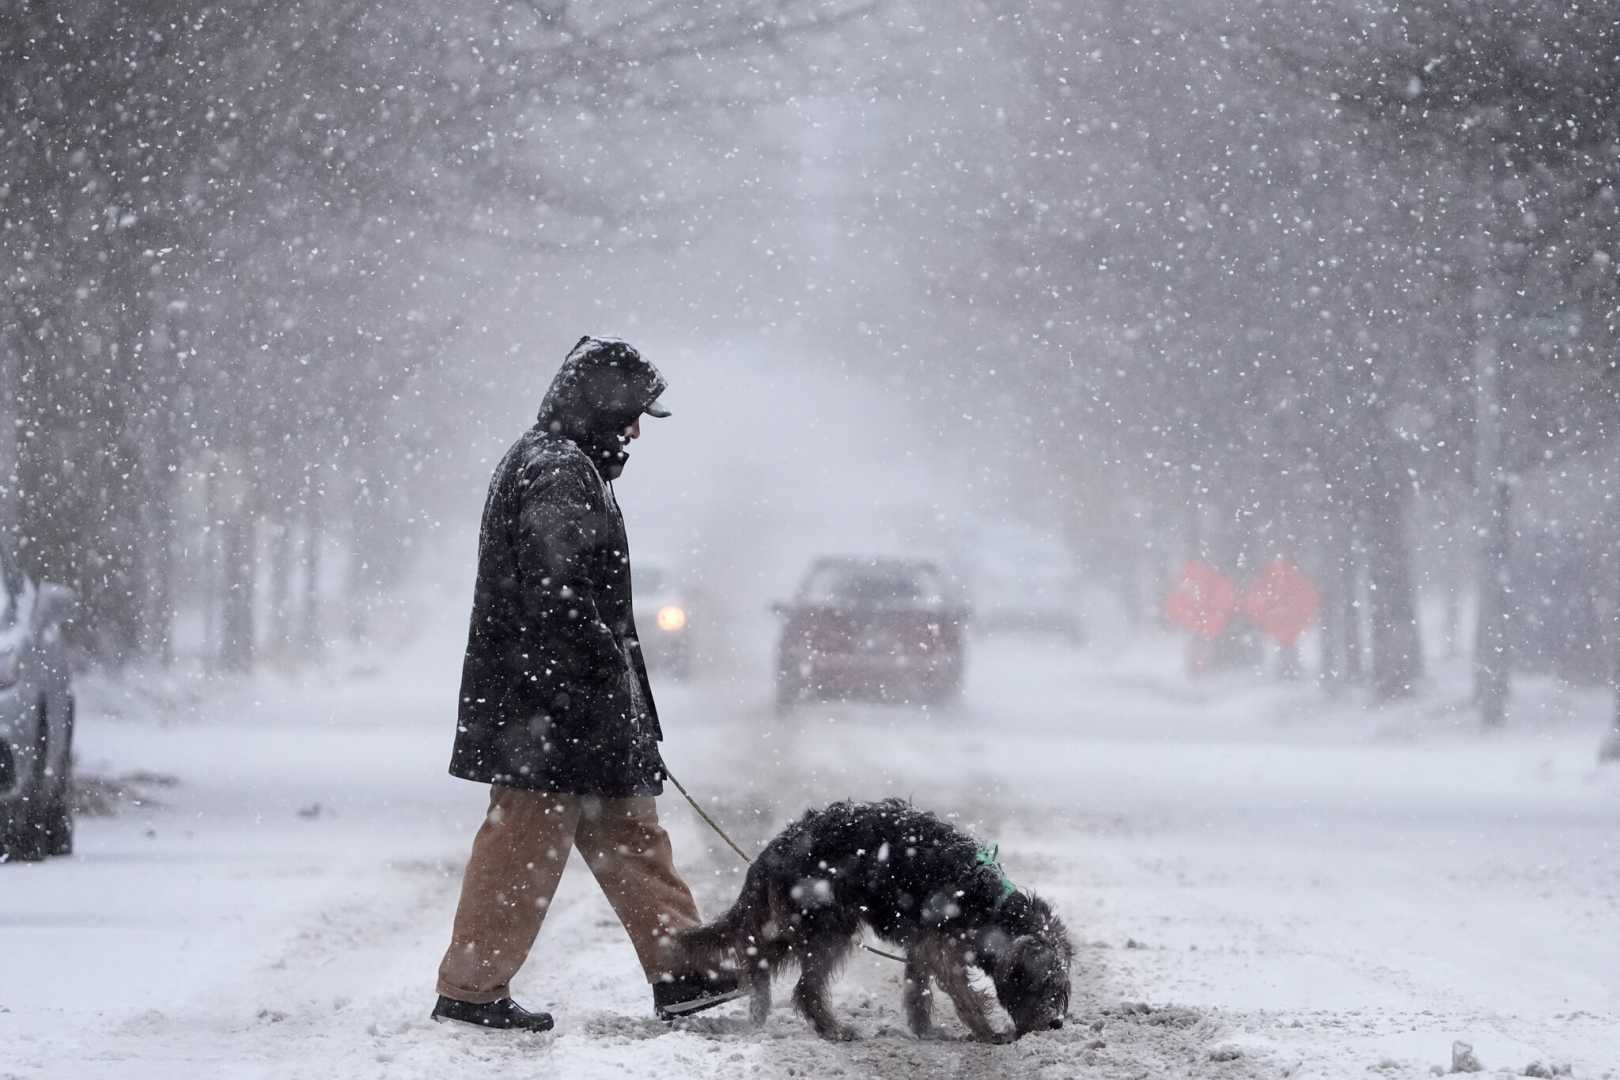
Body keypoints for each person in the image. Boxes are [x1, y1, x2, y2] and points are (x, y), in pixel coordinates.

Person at [432, 335, 741, 1032]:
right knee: (524, 846)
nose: (635, 430)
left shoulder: (567, 465)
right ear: (597, 405)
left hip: (569, 704)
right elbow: (557, 591)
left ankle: (683, 972)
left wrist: (617, 698)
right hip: (548, 707)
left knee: (629, 832)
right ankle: (471, 989)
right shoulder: (555, 471)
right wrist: (600, 676)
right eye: (630, 413)